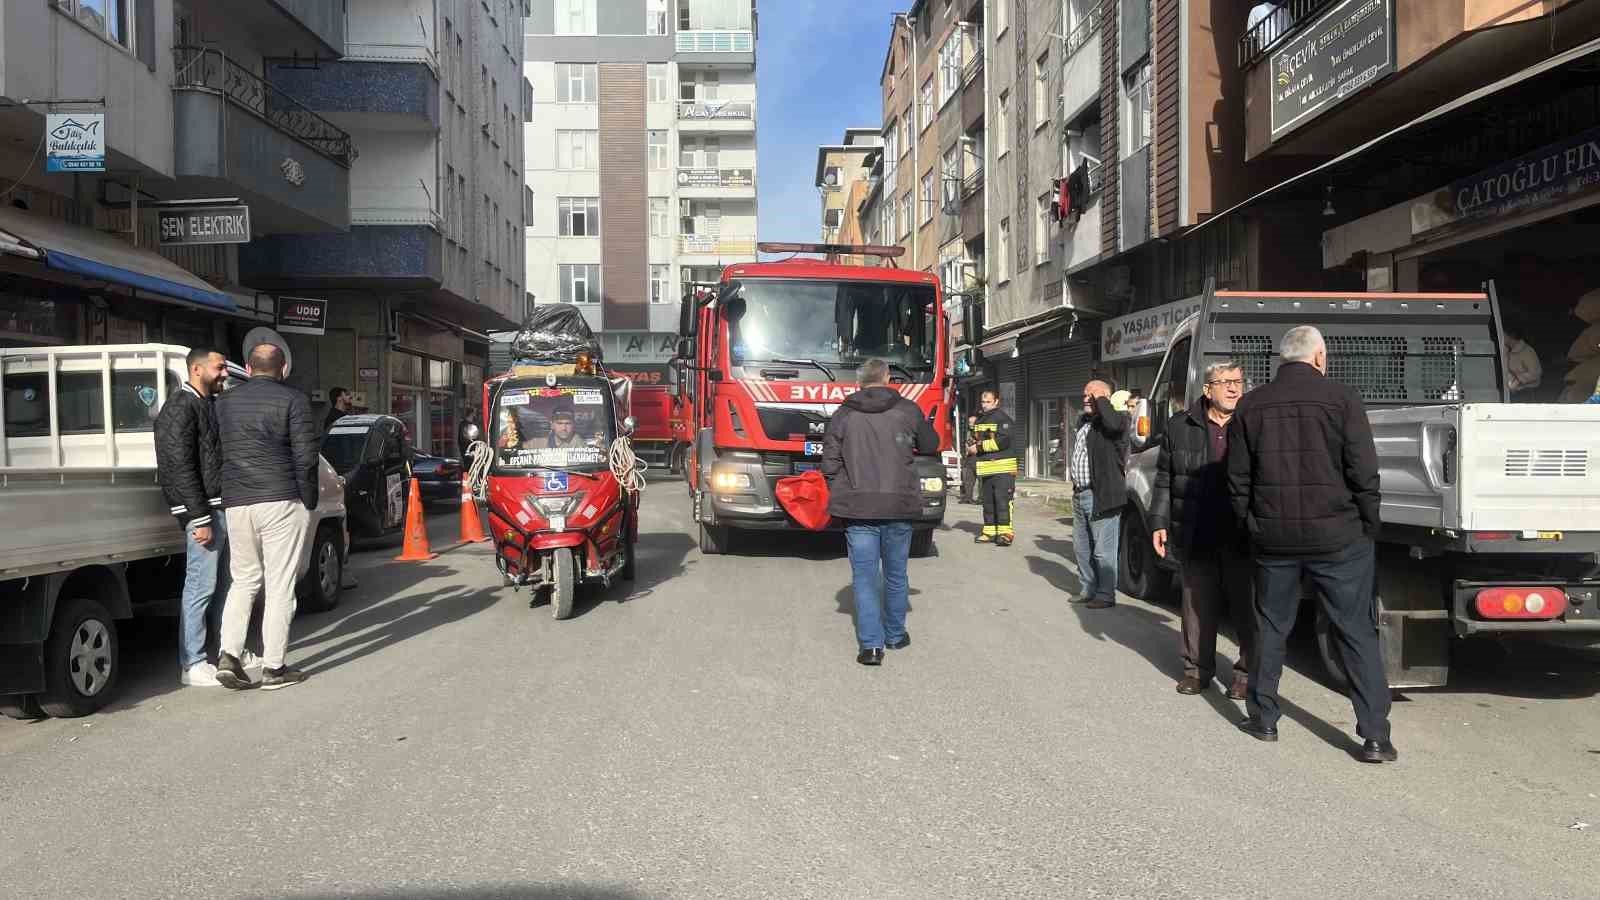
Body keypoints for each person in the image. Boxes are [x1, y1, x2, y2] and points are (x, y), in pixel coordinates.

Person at [1226, 325, 1396, 763]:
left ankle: (1263, 718)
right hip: (1339, 536)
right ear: (1319, 358)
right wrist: (1367, 523)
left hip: (1273, 537)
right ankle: (1375, 736)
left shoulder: (1251, 404)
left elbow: (1238, 479)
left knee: (1271, 625)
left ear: (1283, 359)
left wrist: (1252, 524)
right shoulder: (1342, 399)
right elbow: (1364, 471)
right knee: (1354, 630)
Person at [213, 343, 319, 692]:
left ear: (247, 366)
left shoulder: (223, 402)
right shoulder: (294, 401)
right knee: (280, 586)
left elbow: (213, 452)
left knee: (242, 580)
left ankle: (229, 655)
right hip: (280, 498)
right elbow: (306, 456)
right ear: (283, 368)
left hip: (237, 501)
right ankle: (274, 667)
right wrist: (308, 500)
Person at [821, 358, 939, 666]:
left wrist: (843, 491)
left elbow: (829, 462)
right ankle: (896, 635)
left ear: (859, 381)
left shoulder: (844, 414)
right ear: (887, 378)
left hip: (859, 508)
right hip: (898, 505)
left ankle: (871, 647)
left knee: (864, 577)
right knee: (896, 574)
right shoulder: (907, 409)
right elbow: (931, 444)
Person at [1150, 362, 1257, 699]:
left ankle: (1246, 674)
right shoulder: (1180, 426)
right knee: (1197, 607)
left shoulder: (1254, 422)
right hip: (1197, 531)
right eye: (1224, 382)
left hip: (1243, 534)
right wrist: (1158, 522)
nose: (1233, 388)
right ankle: (1197, 670)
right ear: (1207, 389)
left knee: (1248, 609)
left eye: (1238, 381)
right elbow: (1165, 479)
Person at [154, 347, 229, 688]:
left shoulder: (204, 403)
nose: (224, 373)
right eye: (219, 367)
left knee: (221, 585)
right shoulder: (180, 408)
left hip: (216, 507)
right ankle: (193, 662)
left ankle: (221, 654)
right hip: (205, 512)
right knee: (200, 586)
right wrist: (198, 518)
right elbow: (178, 467)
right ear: (197, 369)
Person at [1067, 379, 1129, 609]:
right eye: (1084, 394)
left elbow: (1113, 424)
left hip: (1101, 495)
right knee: (1081, 547)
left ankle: (1105, 594)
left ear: (1105, 399)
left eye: (1091, 395)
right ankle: (1088, 588)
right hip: (1080, 494)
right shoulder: (1085, 423)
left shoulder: (1116, 421)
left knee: (1103, 550)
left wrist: (1102, 399)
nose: (1086, 398)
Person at [971, 389, 1017, 545]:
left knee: (1002, 501)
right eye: (983, 402)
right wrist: (973, 445)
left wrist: (978, 447)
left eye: (988, 402)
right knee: (988, 502)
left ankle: (1005, 533)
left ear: (996, 402)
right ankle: (990, 531)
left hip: (1003, 468)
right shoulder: (981, 420)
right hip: (986, 469)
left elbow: (1003, 441)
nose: (984, 405)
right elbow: (975, 439)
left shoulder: (1002, 418)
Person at [1503, 327, 1542, 399]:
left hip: (1525, 393)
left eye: (1503, 334)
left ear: (1510, 336)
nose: (1501, 337)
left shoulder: (1527, 351)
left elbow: (1535, 373)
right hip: (1510, 391)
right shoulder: (1505, 350)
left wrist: (1518, 380)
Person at [960, 413, 979, 504]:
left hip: (977, 457)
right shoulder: (969, 431)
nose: (970, 424)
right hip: (969, 457)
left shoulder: (979, 431)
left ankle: (981, 498)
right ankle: (967, 497)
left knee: (980, 479)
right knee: (968, 478)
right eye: (969, 422)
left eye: (972, 422)